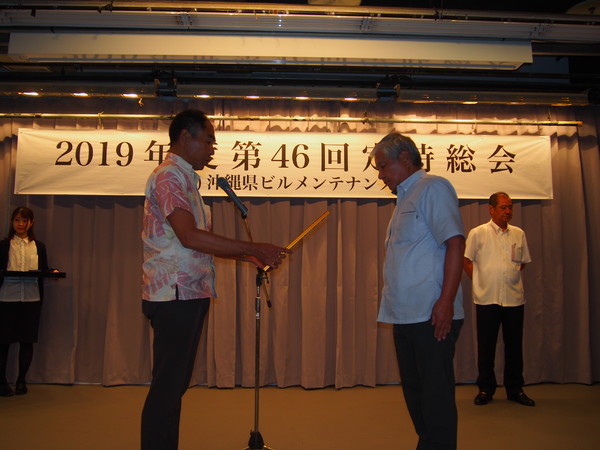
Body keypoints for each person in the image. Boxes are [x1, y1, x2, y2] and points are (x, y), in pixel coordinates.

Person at [141, 109, 290, 450]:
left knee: (174, 387)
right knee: (166, 389)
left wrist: (248, 255)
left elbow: (195, 242)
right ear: (185, 137)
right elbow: (189, 236)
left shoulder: (186, 179)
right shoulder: (169, 176)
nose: (212, 149)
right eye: (208, 141)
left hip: (189, 293)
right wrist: (252, 247)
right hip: (174, 294)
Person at [371, 132, 465, 450]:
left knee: (435, 396)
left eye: (383, 167)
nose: (381, 176)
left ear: (405, 159)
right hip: (405, 315)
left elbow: (455, 243)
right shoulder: (404, 199)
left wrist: (446, 302)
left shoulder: (432, 187)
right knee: (416, 394)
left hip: (430, 313)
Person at [463, 192, 535, 407]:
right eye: (503, 207)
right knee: (486, 347)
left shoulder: (518, 233)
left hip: (514, 298)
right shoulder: (478, 233)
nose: (508, 211)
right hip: (487, 298)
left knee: (514, 347)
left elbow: (522, 262)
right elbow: (466, 261)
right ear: (491, 209)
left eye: (510, 207)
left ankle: (515, 389)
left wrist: (507, 275)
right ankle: (486, 388)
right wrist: (481, 281)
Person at [0, 206, 50, 397]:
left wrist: (52, 273)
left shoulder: (39, 246)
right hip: (6, 298)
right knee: (3, 341)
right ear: (12, 222)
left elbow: (43, 269)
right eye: (17, 220)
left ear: (31, 223)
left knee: (27, 341)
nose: (20, 224)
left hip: (31, 298)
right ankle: (2, 382)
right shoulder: (3, 245)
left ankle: (22, 380)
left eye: (24, 220)